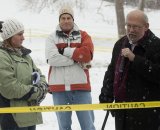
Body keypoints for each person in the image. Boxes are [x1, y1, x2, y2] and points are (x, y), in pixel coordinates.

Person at [99, 9, 160, 130]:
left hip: (148, 112)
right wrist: (106, 95)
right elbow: (112, 71)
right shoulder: (120, 44)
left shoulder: (156, 46)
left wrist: (135, 59)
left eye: (136, 27)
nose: (131, 30)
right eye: (129, 26)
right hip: (122, 110)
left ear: (146, 26)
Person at [45, 5, 96, 130]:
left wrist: (64, 51)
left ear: (73, 19)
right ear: (59, 20)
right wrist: (75, 58)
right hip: (59, 90)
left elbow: (87, 55)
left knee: (88, 126)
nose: (66, 20)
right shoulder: (51, 37)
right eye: (63, 18)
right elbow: (52, 59)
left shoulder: (84, 36)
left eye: (69, 17)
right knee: (64, 127)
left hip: (81, 87)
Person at [0, 18, 48, 130]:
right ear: (10, 37)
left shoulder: (25, 55)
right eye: (19, 34)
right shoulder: (2, 56)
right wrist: (35, 91)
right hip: (13, 118)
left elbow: (38, 74)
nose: (23, 38)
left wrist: (43, 85)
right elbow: (9, 87)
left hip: (30, 114)